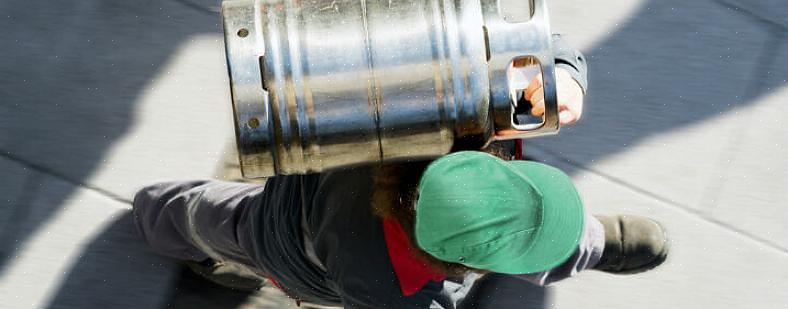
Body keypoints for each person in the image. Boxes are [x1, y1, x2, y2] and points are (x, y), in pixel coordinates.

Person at [132, 35, 669, 308]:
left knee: (213, 215)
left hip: (310, 184)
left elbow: (519, 40)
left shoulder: (441, 113)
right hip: (291, 236)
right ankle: (165, 221)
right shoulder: (389, 287)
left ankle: (162, 212)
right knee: (233, 228)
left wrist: (561, 79)